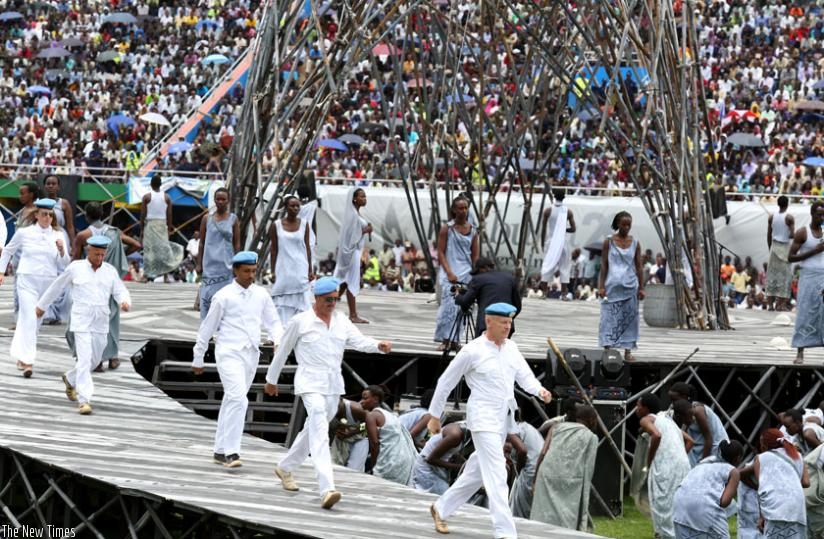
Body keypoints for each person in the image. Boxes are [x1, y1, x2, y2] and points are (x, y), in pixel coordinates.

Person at [425, 302, 552, 537]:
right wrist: (434, 415)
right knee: (497, 473)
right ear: (488, 322)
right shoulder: (472, 350)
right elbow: (446, 382)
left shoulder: (511, 348)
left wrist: (540, 390)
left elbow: (525, 376)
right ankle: (505, 532)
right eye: (503, 322)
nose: (508, 327)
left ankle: (440, 508)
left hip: (503, 419)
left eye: (510, 322)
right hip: (482, 419)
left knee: (476, 473)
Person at [265, 276, 391, 510]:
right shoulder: (300, 321)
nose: (333, 303)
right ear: (317, 298)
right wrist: (271, 379)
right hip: (310, 383)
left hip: (333, 385)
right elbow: (282, 351)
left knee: (311, 430)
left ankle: (285, 467)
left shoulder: (342, 321)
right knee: (321, 431)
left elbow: (359, 341)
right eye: (328, 299)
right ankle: (327, 488)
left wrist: (378, 346)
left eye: (336, 299)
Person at [191, 251, 284, 469]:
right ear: (236, 271)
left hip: (251, 354)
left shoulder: (261, 294)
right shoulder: (223, 296)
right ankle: (232, 452)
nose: (251, 275)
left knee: (232, 399)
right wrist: (198, 356)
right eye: (246, 271)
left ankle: (219, 450)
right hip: (228, 352)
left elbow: (273, 322)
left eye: (253, 271)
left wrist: (278, 340)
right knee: (238, 398)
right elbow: (208, 327)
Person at [35, 235, 131, 415]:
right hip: (81, 320)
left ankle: (70, 379)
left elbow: (120, 290)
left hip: (101, 321)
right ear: (89, 251)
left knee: (95, 361)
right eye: (97, 254)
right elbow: (57, 286)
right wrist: (42, 306)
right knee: (85, 358)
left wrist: (124, 301)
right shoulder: (76, 268)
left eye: (103, 255)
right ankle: (84, 400)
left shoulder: (109, 271)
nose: (100, 259)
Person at [0, 198, 71, 378]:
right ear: (37, 215)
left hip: (47, 284)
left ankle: (20, 355)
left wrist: (62, 251)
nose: (47, 218)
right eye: (44, 214)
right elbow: (8, 250)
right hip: (27, 280)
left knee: (33, 321)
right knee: (30, 317)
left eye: (50, 215)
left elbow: (64, 262)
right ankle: (28, 362)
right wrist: (1, 271)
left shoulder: (58, 235)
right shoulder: (25, 233)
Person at [71, 201, 141, 370]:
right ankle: (113, 357)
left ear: (87, 216)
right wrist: (120, 256)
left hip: (90, 282)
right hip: (110, 280)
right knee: (112, 320)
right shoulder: (115, 233)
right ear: (102, 214)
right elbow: (137, 245)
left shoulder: (83, 235)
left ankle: (96, 360)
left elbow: (75, 259)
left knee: (90, 322)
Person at [530, 405, 598, 530]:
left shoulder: (557, 427)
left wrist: (535, 480)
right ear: (591, 419)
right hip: (571, 479)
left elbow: (543, 452)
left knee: (542, 513)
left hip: (546, 473)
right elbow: (588, 469)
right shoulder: (591, 437)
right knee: (567, 518)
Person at [635, 393, 692, 539]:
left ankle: (664, 535)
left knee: (662, 506)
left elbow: (657, 435)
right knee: (676, 507)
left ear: (646, 408)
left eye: (638, 406)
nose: (636, 409)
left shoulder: (646, 419)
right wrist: (677, 457)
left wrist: (649, 461)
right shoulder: (666, 419)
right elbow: (690, 441)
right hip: (683, 465)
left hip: (666, 467)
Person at [433, 196, 479, 351]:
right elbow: (440, 252)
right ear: (454, 210)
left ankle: (456, 340)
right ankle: (445, 339)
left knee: (462, 308)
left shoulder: (473, 230)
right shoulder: (447, 228)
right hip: (450, 273)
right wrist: (448, 271)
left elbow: (475, 255)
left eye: (465, 208)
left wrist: (476, 274)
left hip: (466, 273)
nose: (463, 211)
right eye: (460, 208)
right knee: (448, 308)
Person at [672, 440, 743, 539]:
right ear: (738, 457)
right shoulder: (733, 471)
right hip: (704, 509)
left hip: (679, 507)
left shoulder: (703, 465)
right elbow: (724, 502)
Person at [599, 211, 645, 363]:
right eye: (623, 224)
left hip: (630, 285)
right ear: (617, 224)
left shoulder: (636, 242)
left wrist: (642, 287)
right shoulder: (609, 242)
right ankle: (608, 349)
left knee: (629, 320)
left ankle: (627, 351)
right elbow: (604, 265)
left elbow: (639, 266)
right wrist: (601, 286)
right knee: (609, 318)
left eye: (629, 225)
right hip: (612, 286)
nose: (626, 227)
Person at [749, 428, 809, 537]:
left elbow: (761, 488)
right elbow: (806, 482)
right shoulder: (798, 456)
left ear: (765, 445)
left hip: (775, 507)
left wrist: (761, 516)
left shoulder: (760, 458)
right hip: (796, 508)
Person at [788, 201, 824, 365]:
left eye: (823, 215)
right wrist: (813, 251)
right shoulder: (803, 232)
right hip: (808, 276)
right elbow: (790, 257)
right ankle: (800, 351)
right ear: (812, 214)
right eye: (819, 214)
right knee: (805, 311)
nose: (821, 217)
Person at [196, 188, 240, 320]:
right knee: (207, 299)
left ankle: (225, 330)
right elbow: (202, 243)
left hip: (227, 266)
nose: (220, 202)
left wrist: (237, 264)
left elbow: (237, 243)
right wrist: (199, 264)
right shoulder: (206, 219)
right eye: (218, 199)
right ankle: (206, 331)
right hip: (209, 266)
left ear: (228, 201)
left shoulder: (233, 219)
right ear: (214, 200)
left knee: (227, 299)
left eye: (223, 199)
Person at [361, 385, 418, 486]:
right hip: (403, 461)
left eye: (365, 398)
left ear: (375, 399)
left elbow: (374, 444)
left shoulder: (371, 416)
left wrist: (375, 467)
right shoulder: (390, 415)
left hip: (389, 461)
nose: (362, 401)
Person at [270, 195, 312, 326]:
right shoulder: (276, 225)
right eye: (292, 206)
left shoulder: (304, 224)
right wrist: (272, 271)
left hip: (300, 267)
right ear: (285, 208)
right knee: (281, 297)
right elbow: (274, 249)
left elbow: (307, 248)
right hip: (283, 267)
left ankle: (299, 328)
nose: (295, 208)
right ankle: (281, 328)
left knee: (301, 297)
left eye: (297, 206)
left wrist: (310, 269)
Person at [454, 257, 521, 336]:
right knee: (501, 347)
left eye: (477, 272)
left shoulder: (478, 279)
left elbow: (465, 301)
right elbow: (518, 306)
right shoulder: (510, 278)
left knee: (483, 347)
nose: (477, 274)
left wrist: (457, 295)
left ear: (483, 268)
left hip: (486, 325)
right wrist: (508, 319)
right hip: (506, 326)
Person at [333, 187, 372, 323]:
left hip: (355, 251)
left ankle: (329, 305)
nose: (364, 198)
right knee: (351, 282)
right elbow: (351, 236)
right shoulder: (353, 215)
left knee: (344, 281)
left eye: (365, 196)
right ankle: (353, 314)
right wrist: (366, 230)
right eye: (362, 196)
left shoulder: (355, 213)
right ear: (354, 198)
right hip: (351, 252)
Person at [668, 382, 730, 466]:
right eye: (671, 400)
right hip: (699, 446)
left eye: (674, 400)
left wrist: (702, 465)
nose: (672, 403)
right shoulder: (682, 412)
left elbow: (709, 439)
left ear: (684, 397)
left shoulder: (697, 411)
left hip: (714, 447)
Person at [140, 175, 184, 281]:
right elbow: (169, 215)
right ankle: (165, 277)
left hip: (150, 225)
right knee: (164, 250)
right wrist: (169, 229)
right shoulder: (167, 197)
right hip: (162, 225)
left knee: (149, 249)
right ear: (161, 185)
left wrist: (141, 228)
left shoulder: (147, 197)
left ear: (150, 184)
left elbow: (142, 214)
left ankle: (146, 276)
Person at [412, 420, 471, 495]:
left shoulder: (464, 430)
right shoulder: (455, 435)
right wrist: (459, 467)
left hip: (435, 466)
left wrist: (465, 461)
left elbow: (450, 451)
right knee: (438, 497)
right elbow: (431, 459)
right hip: (427, 467)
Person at [540, 189, 576, 300]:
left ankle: (544, 293)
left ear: (554, 197)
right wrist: (563, 230)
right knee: (564, 267)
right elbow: (573, 229)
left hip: (551, 242)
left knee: (547, 266)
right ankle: (564, 294)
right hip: (563, 243)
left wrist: (542, 242)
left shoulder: (548, 210)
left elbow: (544, 229)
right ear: (564, 197)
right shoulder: (568, 211)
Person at [507, 419, 545, 519]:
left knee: (519, 512)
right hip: (541, 468)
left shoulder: (509, 428)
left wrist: (518, 470)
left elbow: (522, 450)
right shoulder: (528, 427)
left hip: (530, 470)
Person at [766, 195, 795, 311]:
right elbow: (792, 235)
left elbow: (768, 234)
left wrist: (770, 248)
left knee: (772, 276)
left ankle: (770, 305)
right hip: (784, 247)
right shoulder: (789, 218)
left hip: (774, 246)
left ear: (778, 204)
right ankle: (781, 305)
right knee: (785, 276)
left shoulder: (771, 217)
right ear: (787, 204)